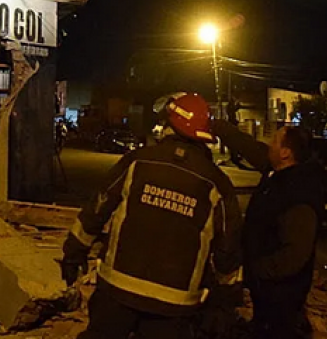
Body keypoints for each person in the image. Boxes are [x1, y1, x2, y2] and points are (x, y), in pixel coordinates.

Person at [60, 92, 243, 339]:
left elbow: (98, 208)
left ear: (170, 124)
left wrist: (74, 253)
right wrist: (226, 298)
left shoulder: (137, 161)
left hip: (118, 288)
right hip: (174, 302)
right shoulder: (216, 183)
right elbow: (228, 247)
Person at [213, 121, 324, 339]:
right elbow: (250, 148)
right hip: (267, 289)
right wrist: (217, 127)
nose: (268, 144)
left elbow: (295, 254)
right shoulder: (279, 174)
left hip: (281, 293)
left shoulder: (297, 193)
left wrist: (258, 270)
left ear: (285, 153)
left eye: (274, 141)